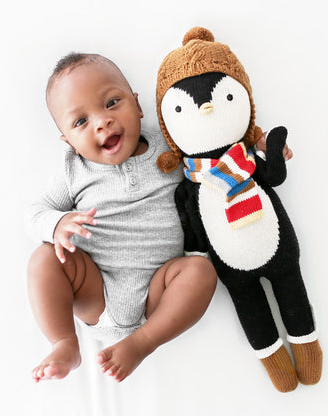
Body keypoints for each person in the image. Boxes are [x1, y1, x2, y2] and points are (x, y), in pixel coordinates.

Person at [26, 53, 218, 383]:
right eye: (80, 122)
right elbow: (35, 213)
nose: (102, 121)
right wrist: (57, 224)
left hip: (160, 289)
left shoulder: (167, 146)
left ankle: (142, 342)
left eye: (112, 102)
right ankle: (64, 342)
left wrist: (258, 147)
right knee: (44, 258)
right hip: (95, 288)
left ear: (138, 106)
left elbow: (212, 150)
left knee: (200, 271)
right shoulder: (73, 170)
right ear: (68, 141)